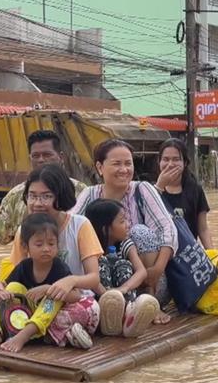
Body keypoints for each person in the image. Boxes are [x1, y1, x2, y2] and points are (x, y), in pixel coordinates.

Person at [0, 164, 101, 348]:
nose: (38, 203)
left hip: (68, 299)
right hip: (30, 301)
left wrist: (70, 282)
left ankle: (15, 329)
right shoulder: (24, 230)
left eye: (46, 196)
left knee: (88, 309)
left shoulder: (80, 225)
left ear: (60, 197)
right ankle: (54, 334)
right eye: (33, 196)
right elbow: (19, 278)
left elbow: (93, 278)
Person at [0, 130, 87, 293]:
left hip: (72, 286)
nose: (41, 160)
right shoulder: (17, 195)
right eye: (36, 155)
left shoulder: (81, 193)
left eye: (47, 155)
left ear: (60, 157)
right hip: (29, 281)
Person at [73, 139, 179, 324]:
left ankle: (150, 302)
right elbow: (70, 228)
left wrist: (156, 270)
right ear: (100, 167)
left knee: (139, 232)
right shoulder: (89, 194)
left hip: (148, 281)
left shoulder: (142, 189)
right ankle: (114, 310)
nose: (124, 169)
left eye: (128, 163)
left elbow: (167, 230)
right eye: (117, 164)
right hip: (103, 278)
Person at [0, 213, 94, 352]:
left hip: (47, 315)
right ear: (25, 247)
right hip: (24, 312)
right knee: (13, 287)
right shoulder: (24, 266)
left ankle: (24, 335)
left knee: (54, 298)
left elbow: (76, 296)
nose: (46, 248)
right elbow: (6, 286)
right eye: (39, 244)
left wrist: (49, 289)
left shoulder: (59, 267)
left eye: (51, 244)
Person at [84, 198, 161, 337]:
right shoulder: (91, 248)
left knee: (123, 265)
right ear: (105, 228)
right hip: (101, 298)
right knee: (101, 264)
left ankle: (129, 316)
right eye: (122, 221)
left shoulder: (125, 244)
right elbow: (91, 277)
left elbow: (141, 272)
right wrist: (108, 295)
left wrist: (123, 289)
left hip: (123, 294)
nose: (127, 225)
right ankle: (109, 315)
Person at [154, 138, 213, 249]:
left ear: (185, 163)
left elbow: (203, 229)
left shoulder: (195, 190)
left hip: (188, 254)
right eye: (165, 159)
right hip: (159, 255)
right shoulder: (150, 190)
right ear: (159, 162)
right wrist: (159, 186)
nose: (170, 164)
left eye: (176, 159)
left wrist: (213, 255)